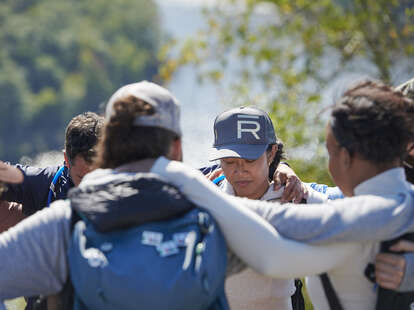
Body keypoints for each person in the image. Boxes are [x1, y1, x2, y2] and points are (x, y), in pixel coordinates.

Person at [151, 80, 414, 309]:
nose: (239, 169)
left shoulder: (335, 213)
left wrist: (195, 193)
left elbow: (272, 250)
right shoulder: (399, 202)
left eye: (329, 152)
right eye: (229, 161)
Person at [209, 106, 326, 310]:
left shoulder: (296, 197)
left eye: (250, 160)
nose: (240, 169)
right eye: (229, 161)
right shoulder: (207, 196)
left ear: (271, 153)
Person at [0, 111, 103, 310]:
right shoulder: (46, 184)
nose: (93, 185)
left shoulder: (126, 188)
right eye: (82, 177)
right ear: (66, 159)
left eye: (99, 172)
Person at [0, 112, 104, 216]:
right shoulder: (44, 185)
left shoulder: (119, 187)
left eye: (98, 176)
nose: (91, 186)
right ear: (66, 160)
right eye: (82, 178)